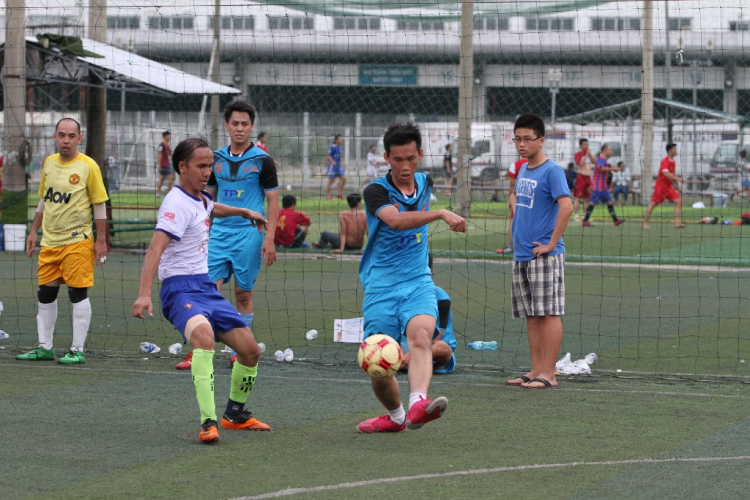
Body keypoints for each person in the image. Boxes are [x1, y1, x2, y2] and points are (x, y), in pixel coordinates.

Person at [132, 138, 272, 443]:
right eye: (201, 166)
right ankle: (208, 422)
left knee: (249, 351)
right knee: (204, 339)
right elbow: (155, 250)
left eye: (210, 165)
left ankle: (234, 414)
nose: (208, 171)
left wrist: (244, 212)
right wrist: (144, 293)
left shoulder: (199, 197)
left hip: (206, 288)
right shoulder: (175, 204)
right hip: (179, 291)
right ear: (182, 167)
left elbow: (212, 207)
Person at [357, 122, 467, 433]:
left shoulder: (425, 181)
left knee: (421, 338)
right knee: (378, 365)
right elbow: (394, 221)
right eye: (397, 160)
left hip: (419, 280)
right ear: (386, 158)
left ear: (420, 154)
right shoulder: (375, 190)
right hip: (380, 284)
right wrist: (441, 214)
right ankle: (394, 416)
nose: (405, 167)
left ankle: (419, 403)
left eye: (410, 158)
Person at [175, 101, 279, 371]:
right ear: (227, 125)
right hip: (218, 234)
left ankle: (239, 351)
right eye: (235, 123)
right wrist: (198, 228)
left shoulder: (263, 161)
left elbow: (274, 201)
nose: (240, 128)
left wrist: (270, 239)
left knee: (243, 294)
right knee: (206, 291)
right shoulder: (215, 159)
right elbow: (206, 199)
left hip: (250, 234)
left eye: (245, 124)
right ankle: (199, 351)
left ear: (252, 127)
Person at [17, 118, 109, 364]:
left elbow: (99, 204)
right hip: (50, 242)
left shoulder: (88, 166)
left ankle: (77, 349)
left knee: (77, 293)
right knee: (45, 294)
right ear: (55, 137)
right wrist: (33, 230)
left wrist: (100, 241)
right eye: (61, 135)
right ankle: (45, 347)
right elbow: (44, 200)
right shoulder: (49, 163)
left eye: (71, 136)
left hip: (78, 240)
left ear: (80, 138)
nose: (66, 140)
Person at [505, 113, 572, 390]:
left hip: (544, 254)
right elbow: (516, 196)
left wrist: (551, 244)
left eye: (527, 139)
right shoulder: (522, 169)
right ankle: (535, 370)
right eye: (517, 139)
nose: (522, 144)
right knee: (531, 314)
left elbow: (566, 206)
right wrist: (514, 206)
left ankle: (549, 373)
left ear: (541, 140)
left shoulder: (553, 170)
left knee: (549, 312)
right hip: (522, 253)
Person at [399, 255, 456, 374]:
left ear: (430, 273)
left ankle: (421, 362)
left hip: (432, 347)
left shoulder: (442, 299)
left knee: (443, 349)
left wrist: (412, 355)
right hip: (407, 347)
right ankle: (404, 362)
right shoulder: (400, 295)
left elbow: (437, 337)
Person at [643, 143, 686, 229]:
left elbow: (672, 175)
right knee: (653, 204)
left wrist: (678, 186)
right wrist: (679, 179)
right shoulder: (665, 161)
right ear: (670, 151)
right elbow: (666, 173)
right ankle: (645, 223)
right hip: (661, 187)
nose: (676, 151)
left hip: (669, 187)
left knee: (678, 201)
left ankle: (677, 223)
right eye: (675, 149)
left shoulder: (673, 162)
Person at [581, 145, 624, 227]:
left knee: (610, 202)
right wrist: (612, 169)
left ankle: (616, 220)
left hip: (603, 187)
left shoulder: (602, 159)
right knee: (592, 203)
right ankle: (585, 221)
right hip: (599, 187)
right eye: (609, 150)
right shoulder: (601, 159)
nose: (611, 152)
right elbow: (600, 169)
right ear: (605, 151)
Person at [496, 158, 527, 254]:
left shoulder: (516, 165)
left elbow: (512, 184)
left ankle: (510, 246)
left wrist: (510, 199)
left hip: (519, 199)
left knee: (513, 221)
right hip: (531, 199)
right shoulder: (540, 164)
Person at [573, 138, 595, 221]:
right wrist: (586, 155)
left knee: (587, 198)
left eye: (587, 144)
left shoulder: (588, 154)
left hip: (588, 177)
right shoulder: (578, 154)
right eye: (585, 144)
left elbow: (594, 161)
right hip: (581, 176)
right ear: (581, 145)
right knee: (578, 198)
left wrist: (590, 154)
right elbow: (580, 164)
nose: (587, 146)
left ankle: (585, 216)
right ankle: (576, 215)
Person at [325, 134, 346, 200]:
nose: (341, 140)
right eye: (340, 139)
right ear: (336, 140)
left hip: (338, 166)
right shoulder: (333, 147)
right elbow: (328, 155)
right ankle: (328, 195)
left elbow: (339, 158)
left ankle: (339, 194)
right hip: (333, 167)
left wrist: (342, 166)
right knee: (330, 181)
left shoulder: (340, 148)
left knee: (344, 179)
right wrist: (332, 161)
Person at [156, 130, 174, 198]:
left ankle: (158, 193)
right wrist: (159, 165)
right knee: (170, 177)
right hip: (164, 165)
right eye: (169, 135)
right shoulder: (162, 145)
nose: (170, 137)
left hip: (167, 164)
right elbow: (160, 155)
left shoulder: (167, 145)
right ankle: (169, 193)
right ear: (165, 136)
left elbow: (170, 153)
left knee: (162, 179)